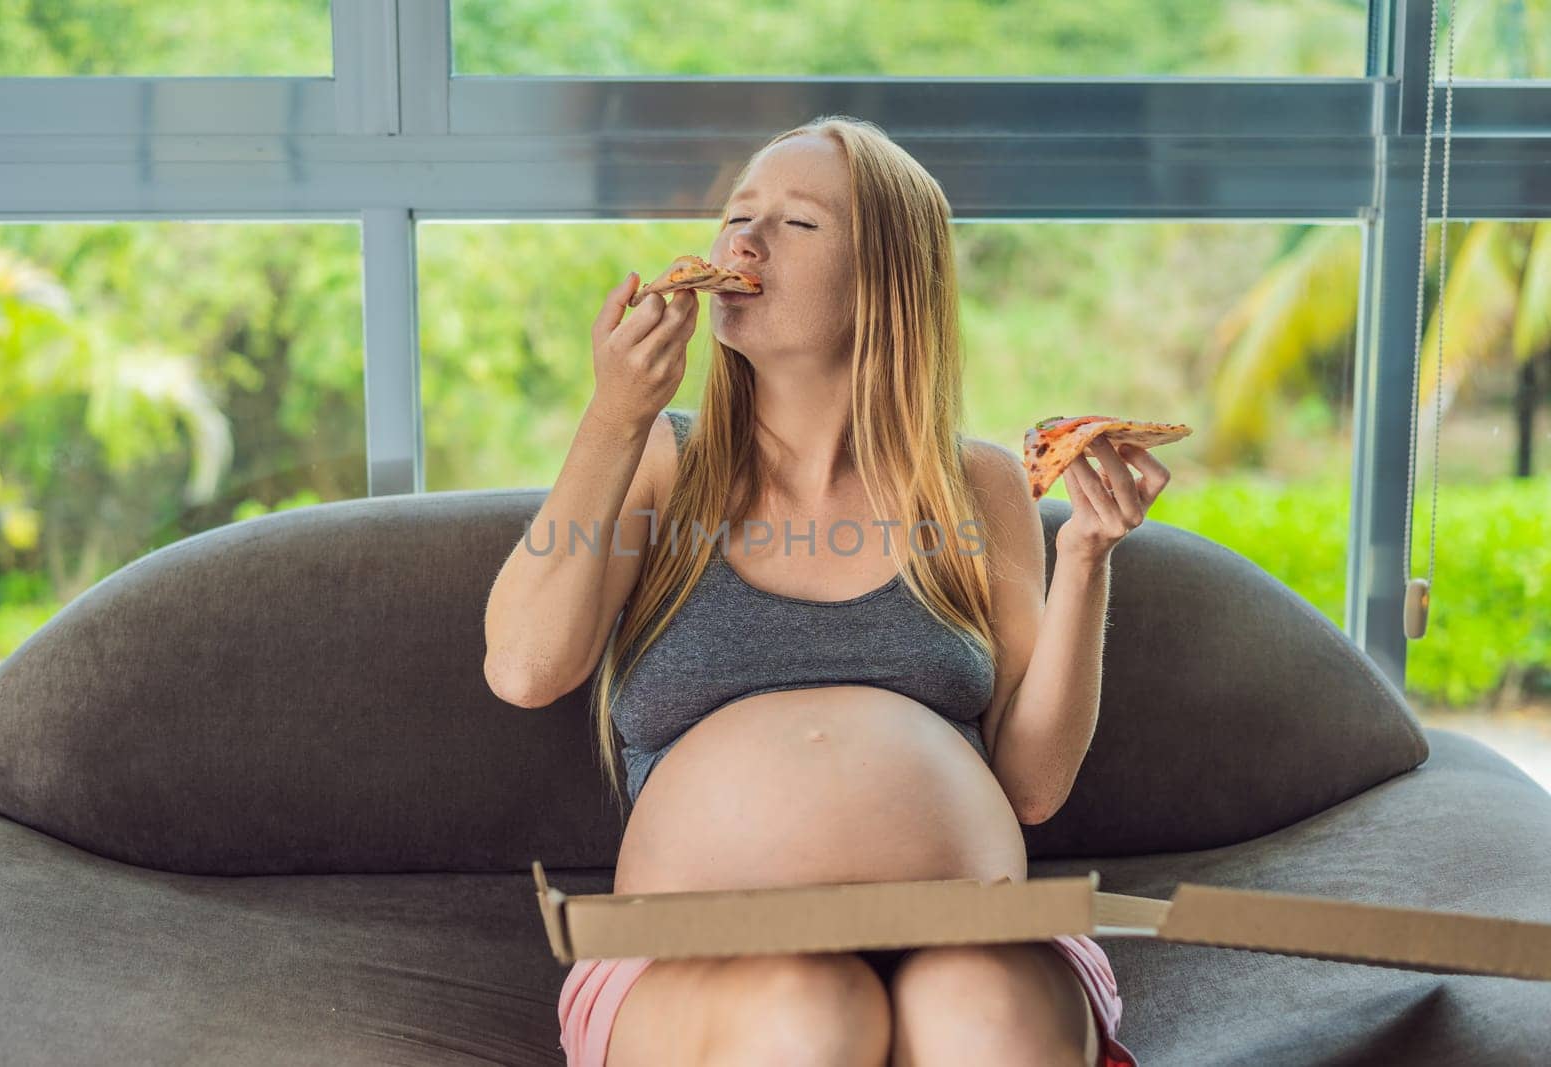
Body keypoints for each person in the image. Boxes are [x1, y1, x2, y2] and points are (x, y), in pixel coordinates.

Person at [485, 114, 1166, 1067]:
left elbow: (1032, 786)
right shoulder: (658, 460)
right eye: (738, 216)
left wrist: (1088, 555)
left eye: (797, 225)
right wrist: (613, 413)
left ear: (887, 278)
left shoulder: (977, 485)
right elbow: (522, 666)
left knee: (985, 1010)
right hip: (702, 962)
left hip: (971, 928)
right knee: (809, 1006)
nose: (743, 243)